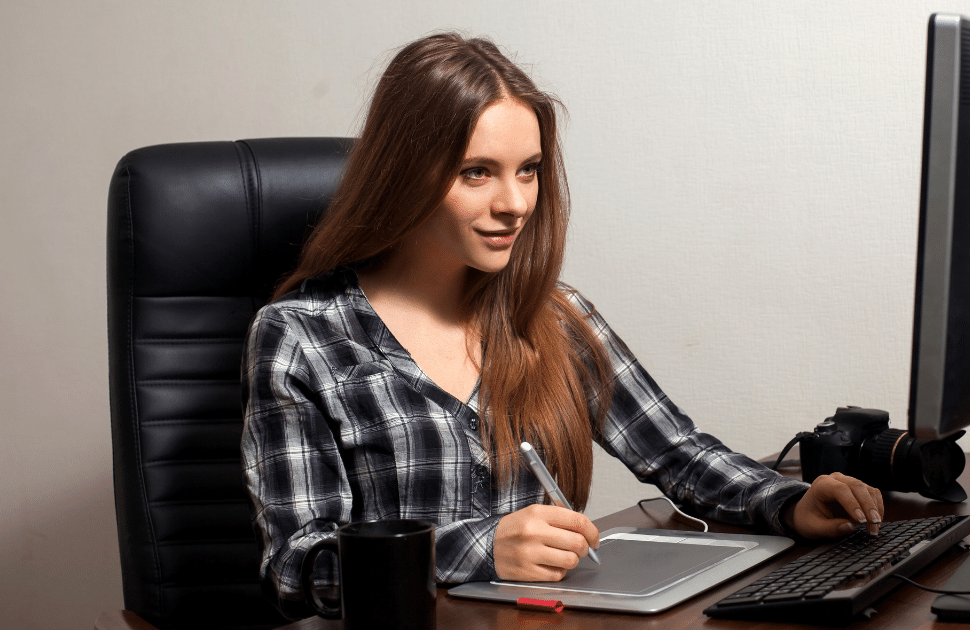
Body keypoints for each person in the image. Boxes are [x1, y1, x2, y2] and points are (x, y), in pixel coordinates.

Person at [240, 32, 885, 619]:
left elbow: (678, 453)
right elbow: (299, 570)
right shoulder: (304, 337)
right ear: (405, 175)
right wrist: (478, 548)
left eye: (529, 169)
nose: (515, 203)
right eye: (477, 172)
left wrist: (787, 502)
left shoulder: (555, 314)